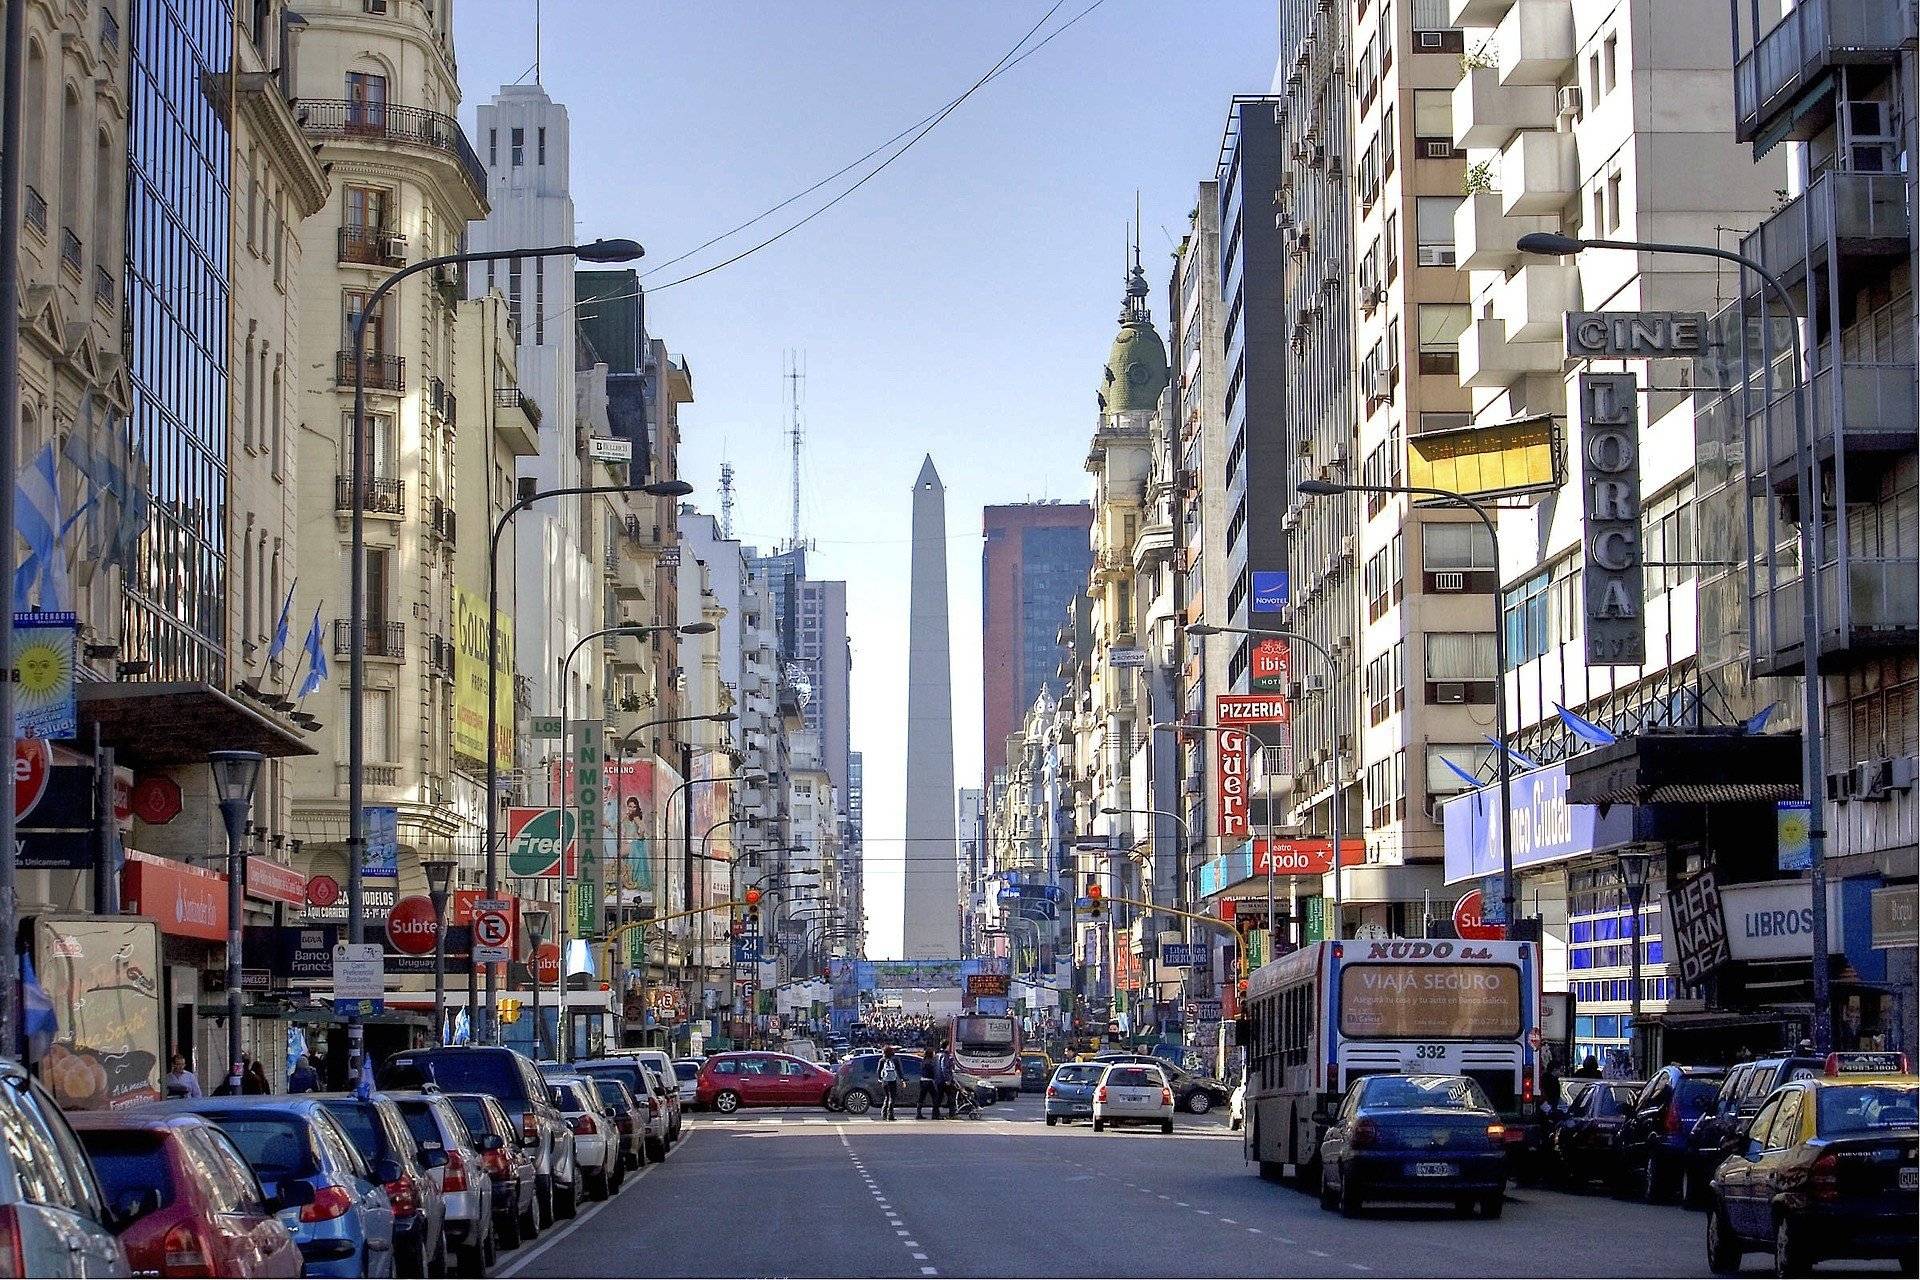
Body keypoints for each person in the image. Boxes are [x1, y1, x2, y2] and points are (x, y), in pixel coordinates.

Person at [915, 1044, 939, 1119]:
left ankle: (918, 1114)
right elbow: (933, 1072)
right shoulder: (930, 1062)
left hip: (922, 1081)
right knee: (935, 1097)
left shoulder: (924, 1061)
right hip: (929, 1081)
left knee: (921, 1098)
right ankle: (935, 1114)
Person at [877, 1046, 900, 1120]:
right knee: (892, 1097)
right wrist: (902, 1078)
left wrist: (880, 1079)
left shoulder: (882, 1060)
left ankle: (884, 1113)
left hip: (885, 1081)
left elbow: (879, 1070)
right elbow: (899, 1070)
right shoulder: (895, 1060)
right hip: (892, 1081)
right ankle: (890, 1115)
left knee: (887, 1097)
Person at [937, 1047, 959, 1118]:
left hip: (939, 1080)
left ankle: (936, 1114)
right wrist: (948, 1080)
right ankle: (952, 1114)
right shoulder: (945, 1056)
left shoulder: (938, 1055)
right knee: (951, 1096)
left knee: (939, 1098)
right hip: (945, 1081)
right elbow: (945, 1068)